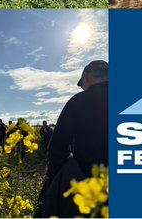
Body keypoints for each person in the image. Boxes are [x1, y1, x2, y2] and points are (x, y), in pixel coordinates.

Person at [36, 61, 108, 218]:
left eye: (82, 84)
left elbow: (57, 149)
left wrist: (55, 180)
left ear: (86, 77)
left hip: (87, 187)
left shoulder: (78, 101)